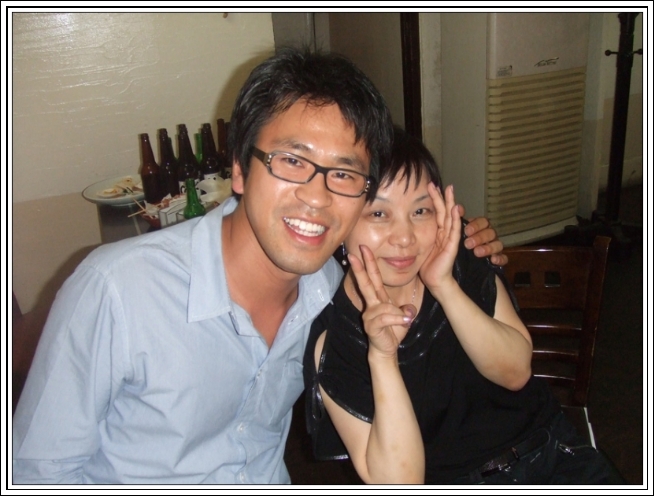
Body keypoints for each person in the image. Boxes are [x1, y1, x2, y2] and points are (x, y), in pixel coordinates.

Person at [12, 49, 502, 485]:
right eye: (292, 161)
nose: (317, 197)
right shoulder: (119, 290)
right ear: (239, 169)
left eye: (343, 173)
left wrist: (465, 248)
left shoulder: (332, 288)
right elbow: (38, 474)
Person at [304, 127, 617, 485]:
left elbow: (515, 372)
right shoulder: (336, 337)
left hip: (550, 453)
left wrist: (445, 286)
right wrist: (383, 358)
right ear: (342, 221)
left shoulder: (456, 252)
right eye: (378, 214)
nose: (404, 237)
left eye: (420, 210)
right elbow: (400, 483)